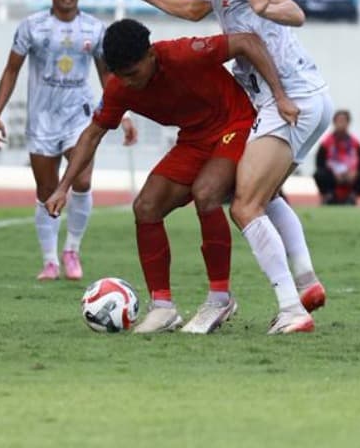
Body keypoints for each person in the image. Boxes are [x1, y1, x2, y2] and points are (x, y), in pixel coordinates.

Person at [100, 0, 330, 335]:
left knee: (244, 205)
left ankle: (292, 309)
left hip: (290, 99)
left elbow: (294, 12)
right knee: (259, 195)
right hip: (301, 96)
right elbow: (191, 9)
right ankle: (306, 281)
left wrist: (266, 8)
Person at [44, 19, 298, 335]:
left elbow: (246, 41)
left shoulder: (182, 53)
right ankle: (162, 308)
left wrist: (280, 95)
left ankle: (220, 297)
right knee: (146, 206)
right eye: (120, 75)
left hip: (235, 123)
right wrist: (62, 187)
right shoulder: (119, 85)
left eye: (133, 73)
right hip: (194, 139)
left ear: (151, 55)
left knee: (206, 193)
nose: (128, 82)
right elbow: (92, 134)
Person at [0, 0, 137, 282]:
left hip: (79, 115)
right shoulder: (32, 26)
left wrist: (123, 114)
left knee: (81, 182)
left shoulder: (94, 29)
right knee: (46, 190)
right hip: (41, 118)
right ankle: (49, 260)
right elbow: (11, 70)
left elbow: (107, 74)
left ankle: (72, 249)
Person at [313, 109, 360, 205]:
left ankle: (353, 196)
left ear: (348, 123)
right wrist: (334, 174)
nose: (341, 124)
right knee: (319, 174)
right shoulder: (326, 143)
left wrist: (355, 173)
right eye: (339, 121)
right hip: (333, 177)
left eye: (344, 121)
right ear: (334, 123)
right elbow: (319, 164)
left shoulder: (356, 143)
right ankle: (328, 195)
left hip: (351, 177)